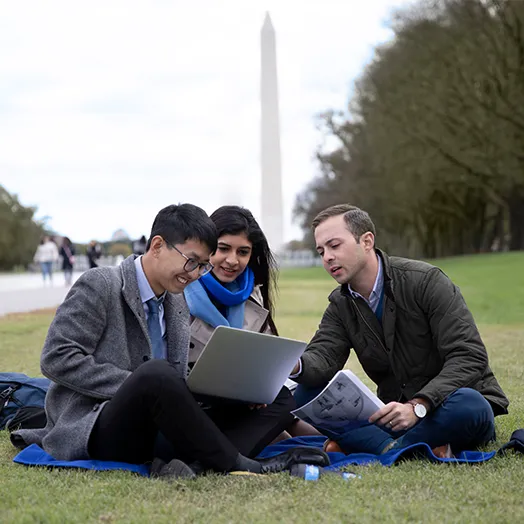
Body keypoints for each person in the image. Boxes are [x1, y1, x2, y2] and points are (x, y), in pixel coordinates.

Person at [12, 204, 328, 479]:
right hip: (97, 424)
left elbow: (176, 383)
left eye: (203, 265)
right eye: (192, 261)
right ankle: (239, 464)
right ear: (158, 245)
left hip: (158, 425)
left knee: (275, 396)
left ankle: (200, 462)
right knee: (157, 374)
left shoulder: (174, 300)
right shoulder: (101, 284)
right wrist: (141, 386)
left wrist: (230, 393)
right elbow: (56, 358)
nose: (195, 274)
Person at [289, 204, 509, 457]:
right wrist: (293, 364)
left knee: (471, 405)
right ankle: (400, 448)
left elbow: (469, 356)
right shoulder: (340, 304)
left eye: (334, 245)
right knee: (305, 390)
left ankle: (379, 446)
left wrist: (419, 406)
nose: (327, 257)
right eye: (321, 251)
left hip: (444, 406)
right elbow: (323, 358)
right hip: (393, 417)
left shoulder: (426, 281)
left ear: (367, 241)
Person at [184, 205, 318, 442]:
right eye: (223, 249)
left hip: (243, 401)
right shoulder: (179, 292)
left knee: (281, 398)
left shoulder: (253, 294)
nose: (232, 260)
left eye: (243, 252)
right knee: (279, 410)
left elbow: (266, 360)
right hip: (192, 403)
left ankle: (317, 443)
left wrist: (260, 386)